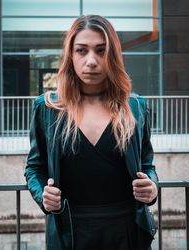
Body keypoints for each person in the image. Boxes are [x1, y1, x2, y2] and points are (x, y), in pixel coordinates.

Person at [25, 15, 158, 250]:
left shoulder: (135, 107)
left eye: (101, 50)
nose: (92, 61)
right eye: (82, 51)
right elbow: (35, 167)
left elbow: (147, 165)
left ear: (113, 56)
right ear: (70, 55)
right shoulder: (47, 108)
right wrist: (43, 196)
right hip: (70, 233)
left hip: (127, 231)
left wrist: (152, 187)